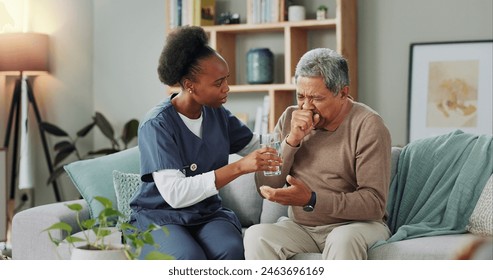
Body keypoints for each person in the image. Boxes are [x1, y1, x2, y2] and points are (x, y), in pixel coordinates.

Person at [129, 26, 281, 260]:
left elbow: (257, 145)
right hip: (160, 216)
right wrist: (239, 167)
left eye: (226, 79)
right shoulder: (157, 125)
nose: (226, 88)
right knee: (187, 258)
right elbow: (175, 195)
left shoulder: (217, 114)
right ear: (190, 85)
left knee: (232, 250)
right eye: (218, 82)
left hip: (206, 213)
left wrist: (295, 132)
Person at [243, 48, 392, 260]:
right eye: (301, 96)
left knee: (342, 239)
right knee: (256, 236)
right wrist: (291, 141)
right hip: (301, 228)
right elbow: (265, 185)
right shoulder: (288, 118)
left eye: (316, 98)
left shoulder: (368, 125)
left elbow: (374, 204)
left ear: (342, 92)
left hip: (356, 226)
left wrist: (312, 200)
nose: (306, 107)